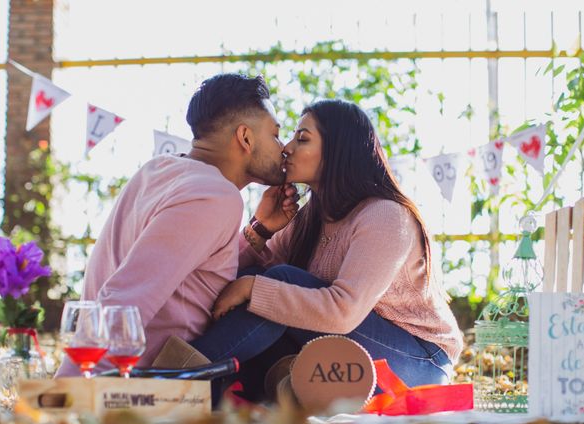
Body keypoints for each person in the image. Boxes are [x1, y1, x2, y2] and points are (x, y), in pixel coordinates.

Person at [189, 99, 463, 401]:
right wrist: (261, 228)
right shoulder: (311, 218)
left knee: (277, 283)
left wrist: (252, 288)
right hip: (352, 352)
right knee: (265, 289)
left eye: (301, 139)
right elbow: (240, 276)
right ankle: (206, 388)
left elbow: (342, 313)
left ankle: (181, 376)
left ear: (338, 150)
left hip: (419, 362)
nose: (286, 148)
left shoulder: (384, 215)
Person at [56, 73, 296, 376]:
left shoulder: (158, 169)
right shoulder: (216, 196)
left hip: (132, 367)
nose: (283, 148)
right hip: (149, 376)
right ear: (245, 138)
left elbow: (193, 271)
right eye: (275, 135)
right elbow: (128, 295)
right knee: (281, 289)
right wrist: (69, 393)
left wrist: (258, 230)